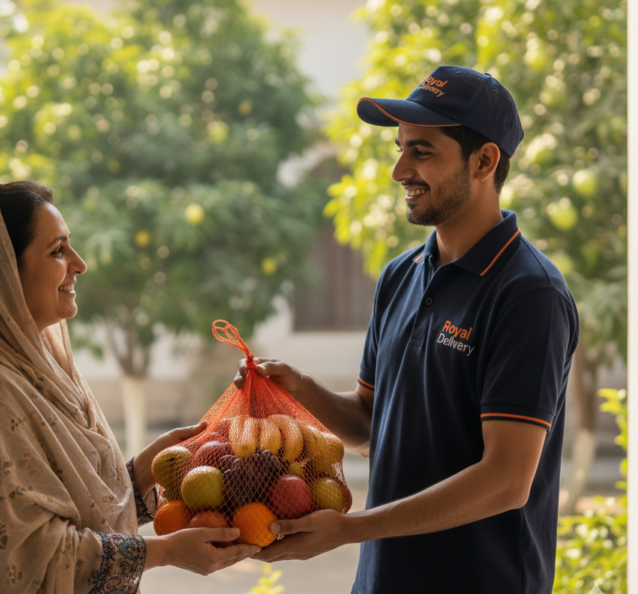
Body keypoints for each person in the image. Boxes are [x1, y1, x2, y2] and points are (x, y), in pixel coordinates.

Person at [234, 66, 579, 593]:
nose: (399, 170)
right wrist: (300, 389)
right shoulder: (400, 275)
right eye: (398, 149)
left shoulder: (529, 294)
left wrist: (350, 530)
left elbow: (506, 481)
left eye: (422, 152)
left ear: (485, 160)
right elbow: (372, 428)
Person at [0, 182, 259, 594]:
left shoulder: (34, 372)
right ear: (1, 272)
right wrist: (168, 552)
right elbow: (31, 555)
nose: (80, 264)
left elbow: (64, 512)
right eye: (57, 250)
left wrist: (141, 473)